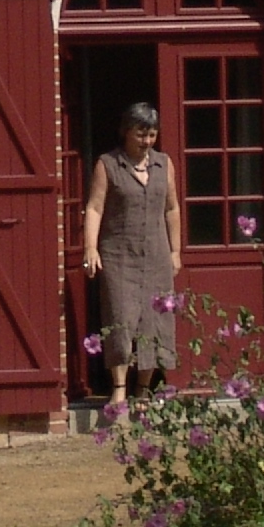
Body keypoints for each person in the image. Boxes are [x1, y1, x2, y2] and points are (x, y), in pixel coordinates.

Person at [82, 101, 184, 412]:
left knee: (154, 322)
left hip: (156, 255)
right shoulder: (108, 164)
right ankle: (119, 391)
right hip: (119, 255)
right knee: (121, 319)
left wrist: (175, 251)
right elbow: (94, 208)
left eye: (152, 135)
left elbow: (172, 208)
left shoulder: (164, 164)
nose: (147, 141)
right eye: (141, 134)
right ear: (126, 132)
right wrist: (90, 247)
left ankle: (143, 390)